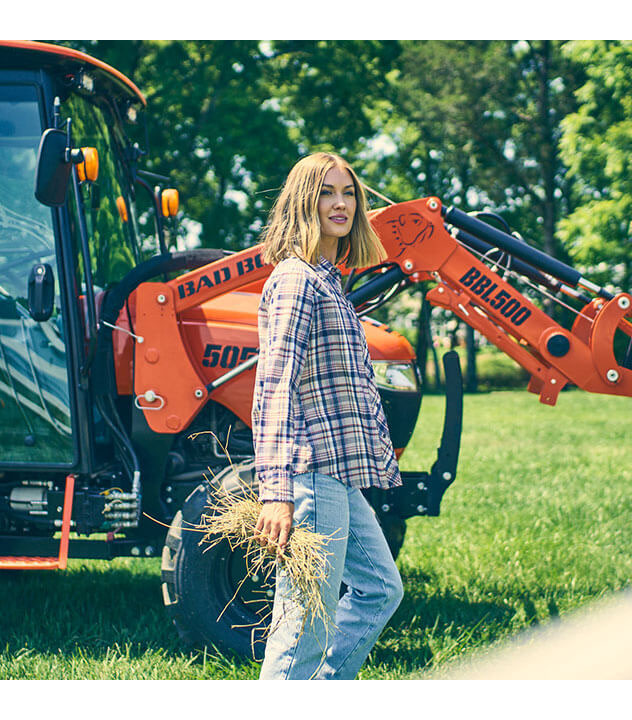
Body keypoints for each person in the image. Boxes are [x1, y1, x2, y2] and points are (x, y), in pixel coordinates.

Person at [252, 151, 404, 680]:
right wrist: (276, 490)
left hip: (337, 477)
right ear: (303, 201)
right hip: (309, 476)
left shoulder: (326, 278)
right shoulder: (296, 280)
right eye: (326, 192)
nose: (340, 203)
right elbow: (275, 386)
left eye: (348, 192)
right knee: (302, 628)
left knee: (382, 588)